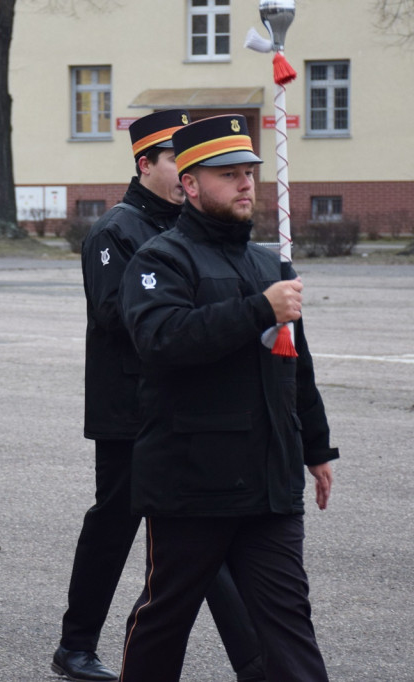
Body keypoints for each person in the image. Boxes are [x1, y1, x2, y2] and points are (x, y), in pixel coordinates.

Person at [117, 114, 337, 681]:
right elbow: (162, 340)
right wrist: (260, 309)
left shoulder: (269, 263)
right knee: (166, 617)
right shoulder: (161, 260)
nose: (245, 183)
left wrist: (316, 445)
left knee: (289, 621)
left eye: (249, 172)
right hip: (193, 480)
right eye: (228, 174)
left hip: (270, 480)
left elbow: (296, 366)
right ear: (190, 184)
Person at [53, 110, 264, 682]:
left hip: (182, 408)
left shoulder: (190, 227)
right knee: (115, 526)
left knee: (199, 533)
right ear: (146, 164)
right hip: (129, 410)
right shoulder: (115, 230)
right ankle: (76, 645)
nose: (186, 170)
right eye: (177, 159)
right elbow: (115, 314)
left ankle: (253, 659)